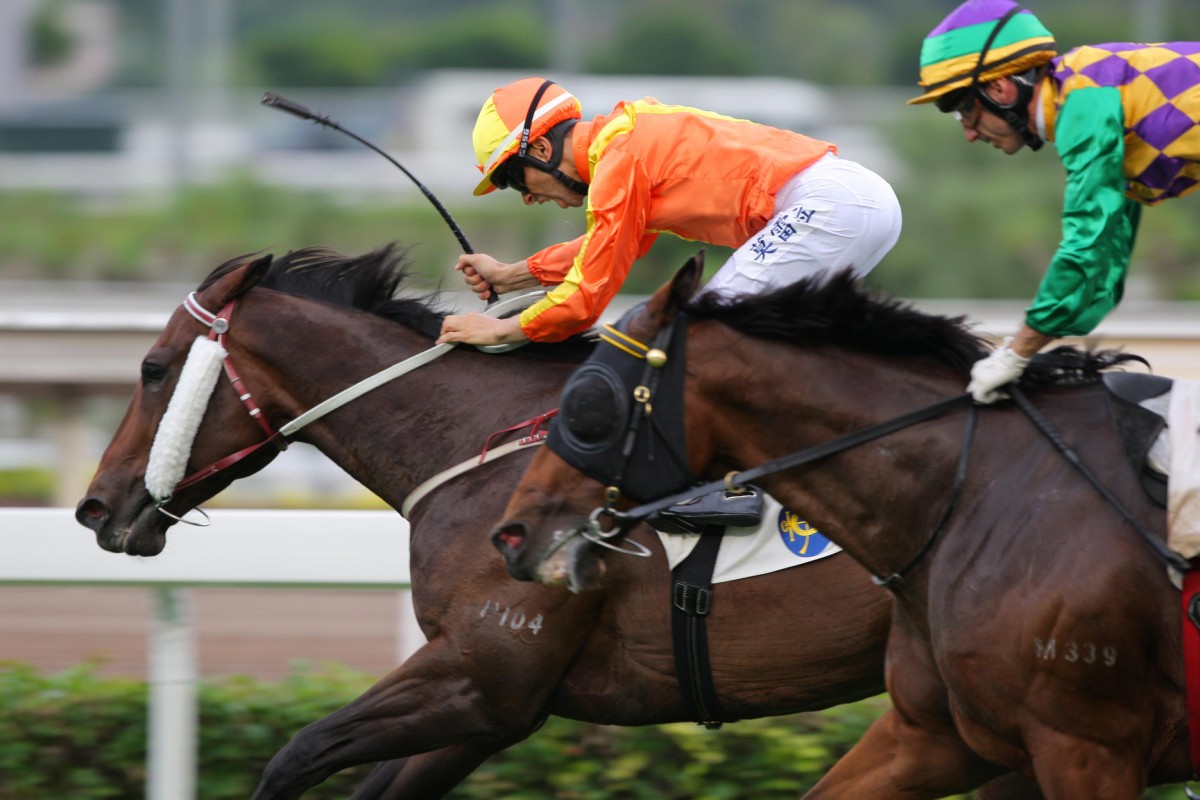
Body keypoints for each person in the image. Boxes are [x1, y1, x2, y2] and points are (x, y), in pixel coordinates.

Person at [436, 76, 902, 347]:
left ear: (540, 149)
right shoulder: (622, 142)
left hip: (827, 206)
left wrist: (499, 331)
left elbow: (584, 301)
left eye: (515, 180)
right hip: (851, 201)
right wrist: (513, 275)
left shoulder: (620, 159)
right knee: (767, 346)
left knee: (697, 336)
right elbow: (615, 244)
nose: (527, 198)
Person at [910, 0, 1200, 403]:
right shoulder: (1088, 85)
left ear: (999, 88)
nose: (969, 134)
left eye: (962, 109)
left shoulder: (1086, 101)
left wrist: (1016, 353)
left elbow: (1087, 245)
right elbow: (1108, 255)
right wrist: (1035, 345)